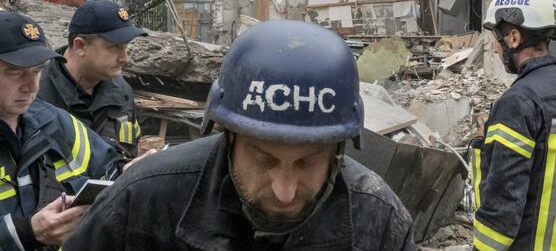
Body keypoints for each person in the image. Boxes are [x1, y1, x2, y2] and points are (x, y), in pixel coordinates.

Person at [63, 20, 415, 250]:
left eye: (308, 162)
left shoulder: (376, 219)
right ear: (228, 139)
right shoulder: (144, 202)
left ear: (338, 152)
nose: (285, 190)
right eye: (265, 160)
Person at [471, 0, 556, 251]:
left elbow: (503, 203)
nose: (496, 47)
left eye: (498, 37)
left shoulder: (518, 103)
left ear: (514, 38)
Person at [0, 11, 121, 250]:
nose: (32, 86)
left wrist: (130, 170)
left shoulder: (53, 121)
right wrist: (24, 232)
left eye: (37, 71)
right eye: (15, 73)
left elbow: (108, 167)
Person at [38, 0, 146, 159]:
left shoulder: (122, 91)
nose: (125, 58)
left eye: (125, 46)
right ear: (80, 46)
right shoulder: (36, 96)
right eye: (114, 47)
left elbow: (131, 149)